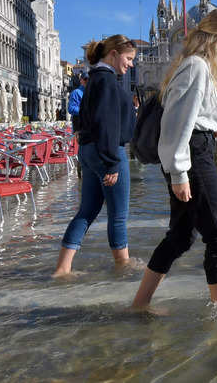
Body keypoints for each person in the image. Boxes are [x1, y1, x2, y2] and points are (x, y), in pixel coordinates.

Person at [132, 9, 217, 310]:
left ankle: (140, 303)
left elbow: (192, 118)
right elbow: (175, 124)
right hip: (192, 156)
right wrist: (179, 172)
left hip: (196, 149)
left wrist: (214, 135)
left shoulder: (196, 66)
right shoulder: (196, 66)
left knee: (181, 236)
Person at [53, 35, 138, 277]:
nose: (131, 64)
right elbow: (107, 123)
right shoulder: (107, 81)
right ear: (113, 54)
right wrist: (112, 162)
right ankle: (123, 266)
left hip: (89, 151)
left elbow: (83, 117)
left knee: (88, 210)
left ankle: (62, 268)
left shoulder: (93, 79)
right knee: (118, 216)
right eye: (129, 58)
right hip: (107, 152)